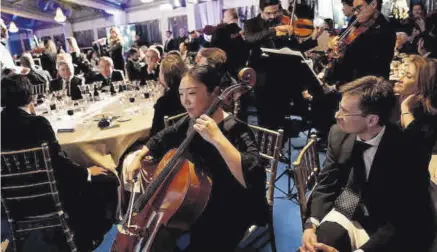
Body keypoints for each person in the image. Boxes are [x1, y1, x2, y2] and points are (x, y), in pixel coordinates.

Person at [123, 65, 267, 252]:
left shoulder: (235, 128)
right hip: (196, 200)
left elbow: (254, 178)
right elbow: (163, 137)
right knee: (161, 237)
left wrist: (218, 138)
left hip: (230, 205)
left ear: (214, 92)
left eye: (191, 93)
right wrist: (139, 155)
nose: (185, 101)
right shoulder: (193, 120)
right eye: (181, 94)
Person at [300, 76, 435, 252]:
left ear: (372, 120)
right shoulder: (338, 134)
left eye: (344, 112)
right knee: (315, 247)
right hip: (350, 204)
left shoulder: (410, 150)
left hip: (389, 223)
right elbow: (327, 183)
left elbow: (405, 219)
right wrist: (311, 224)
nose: (336, 115)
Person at [1, 74, 116, 250]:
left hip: (12, 203)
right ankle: (88, 238)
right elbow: (60, 165)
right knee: (106, 180)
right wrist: (86, 172)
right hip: (48, 197)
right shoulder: (37, 124)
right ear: (29, 96)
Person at [244, 0, 322, 129]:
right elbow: (250, 39)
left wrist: (313, 39)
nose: (273, 16)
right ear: (261, 10)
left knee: (280, 117)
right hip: (262, 77)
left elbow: (297, 49)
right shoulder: (251, 24)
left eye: (276, 12)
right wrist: (274, 30)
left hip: (282, 77)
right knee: (264, 116)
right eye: (269, 13)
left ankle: (279, 145)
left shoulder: (287, 22)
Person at [394, 55, 437, 161]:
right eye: (403, 73)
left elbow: (415, 147)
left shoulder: (428, 117)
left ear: (422, 86)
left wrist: (405, 109)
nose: (400, 79)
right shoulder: (393, 100)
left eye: (408, 76)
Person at [149, 55, 186, 137]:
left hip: (170, 145)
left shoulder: (164, 102)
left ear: (164, 75)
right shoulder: (189, 93)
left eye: (160, 71)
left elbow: (154, 134)